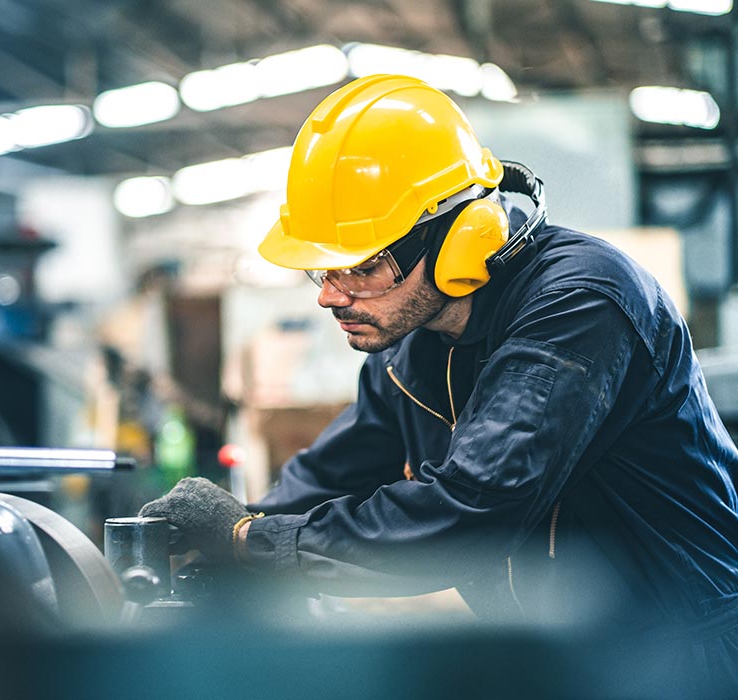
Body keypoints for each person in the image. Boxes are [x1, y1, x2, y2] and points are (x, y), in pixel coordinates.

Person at [139, 74, 738, 686]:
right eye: (321, 268)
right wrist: (224, 531)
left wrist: (252, 542)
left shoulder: (580, 305)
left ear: (460, 239)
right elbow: (328, 476)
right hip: (555, 647)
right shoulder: (410, 346)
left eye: (363, 267)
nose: (328, 296)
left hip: (680, 656)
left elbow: (471, 508)